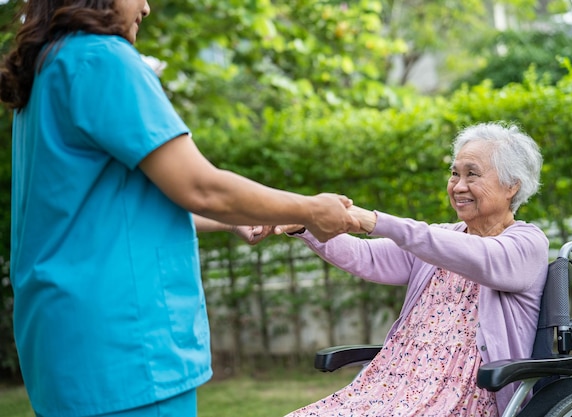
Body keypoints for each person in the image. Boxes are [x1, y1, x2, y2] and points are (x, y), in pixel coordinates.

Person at [0, 0, 360, 416]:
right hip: (122, 344)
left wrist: (235, 220)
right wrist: (313, 208)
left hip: (64, 340)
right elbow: (200, 186)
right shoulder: (101, 59)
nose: (147, 7)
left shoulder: (50, 66)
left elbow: (115, 208)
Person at [275, 122, 549, 417]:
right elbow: (364, 255)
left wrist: (376, 221)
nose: (458, 186)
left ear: (512, 185)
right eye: (455, 173)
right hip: (392, 388)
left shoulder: (527, 244)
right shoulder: (440, 238)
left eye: (472, 174)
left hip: (464, 397)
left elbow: (480, 258)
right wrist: (306, 224)